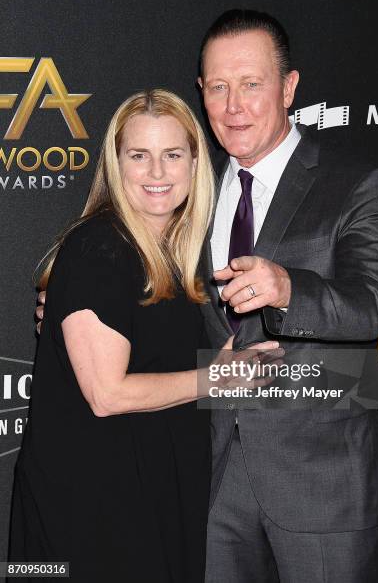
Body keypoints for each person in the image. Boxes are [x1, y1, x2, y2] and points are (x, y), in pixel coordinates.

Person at [10, 88, 278, 583]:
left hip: (147, 492)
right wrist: (213, 379)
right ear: (116, 164)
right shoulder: (100, 248)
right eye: (139, 156)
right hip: (88, 514)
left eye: (173, 155)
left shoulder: (179, 252)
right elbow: (107, 394)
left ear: (196, 162)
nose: (157, 173)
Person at [194, 10, 378, 582]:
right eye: (218, 87)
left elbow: (373, 302)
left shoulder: (356, 183)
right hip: (213, 483)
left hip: (326, 482)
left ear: (289, 87)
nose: (233, 105)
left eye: (251, 84)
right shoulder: (187, 192)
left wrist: (290, 288)